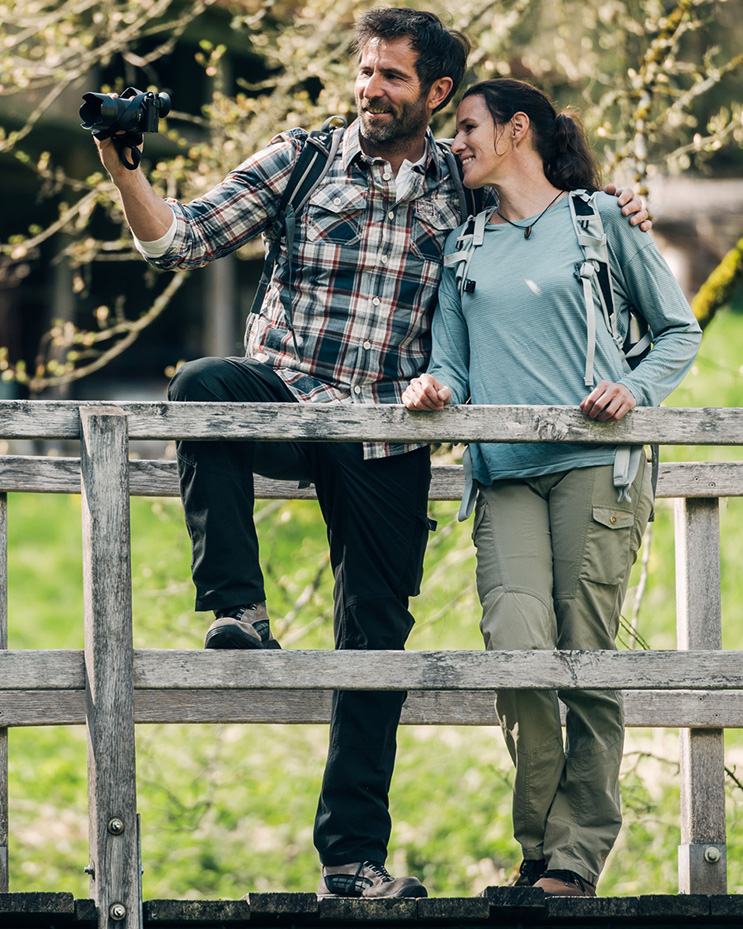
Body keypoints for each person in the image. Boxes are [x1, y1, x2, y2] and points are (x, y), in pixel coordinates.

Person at [93, 9, 649, 898]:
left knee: (375, 643)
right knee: (200, 382)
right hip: (282, 399)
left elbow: (544, 211)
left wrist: (618, 206)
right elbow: (175, 241)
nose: (370, 90)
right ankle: (237, 605)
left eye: (392, 76)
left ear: (434, 92)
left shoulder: (462, 181)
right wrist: (124, 168)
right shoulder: (301, 158)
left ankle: (351, 859)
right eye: (363, 71)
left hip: (389, 427)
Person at [402, 78, 701, 897]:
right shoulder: (461, 249)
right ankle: (536, 846)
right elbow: (451, 366)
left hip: (594, 469)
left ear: (516, 129)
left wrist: (633, 390)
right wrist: (432, 389)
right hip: (500, 476)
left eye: (465, 127)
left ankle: (572, 858)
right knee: (518, 648)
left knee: (585, 656)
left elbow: (678, 330)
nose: (453, 142)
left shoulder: (598, 221)